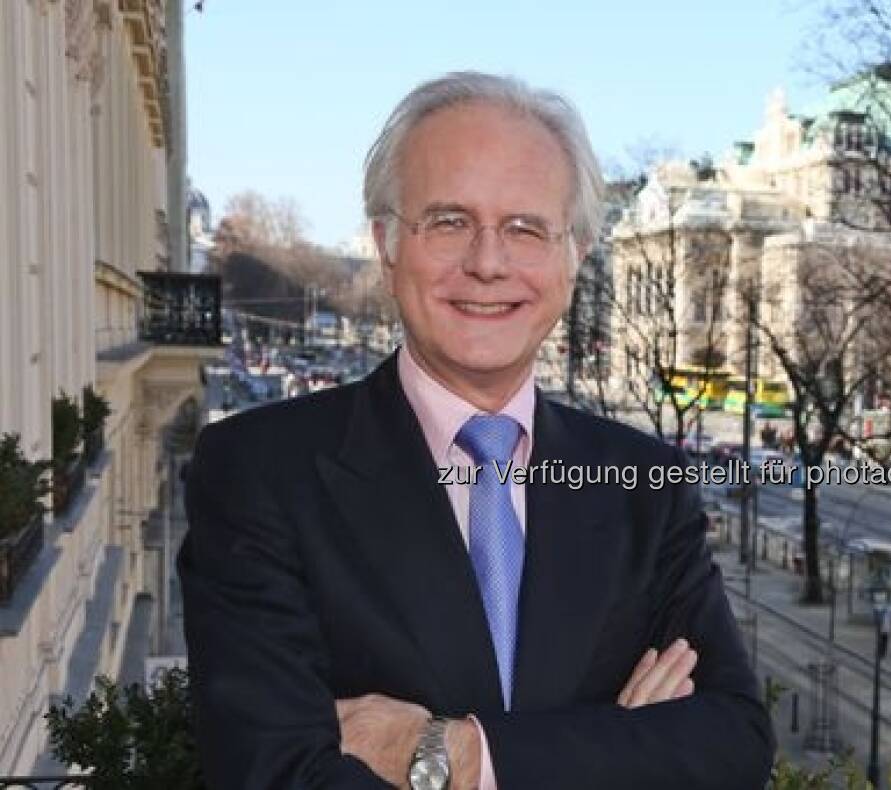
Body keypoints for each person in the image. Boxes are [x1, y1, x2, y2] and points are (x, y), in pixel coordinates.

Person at [178, 72, 773, 789]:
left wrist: (452, 754)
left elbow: (733, 745)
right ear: (387, 243)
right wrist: (619, 745)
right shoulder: (257, 472)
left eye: (526, 228)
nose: (488, 263)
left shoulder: (646, 483)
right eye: (450, 221)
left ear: (573, 256)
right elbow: (274, 774)